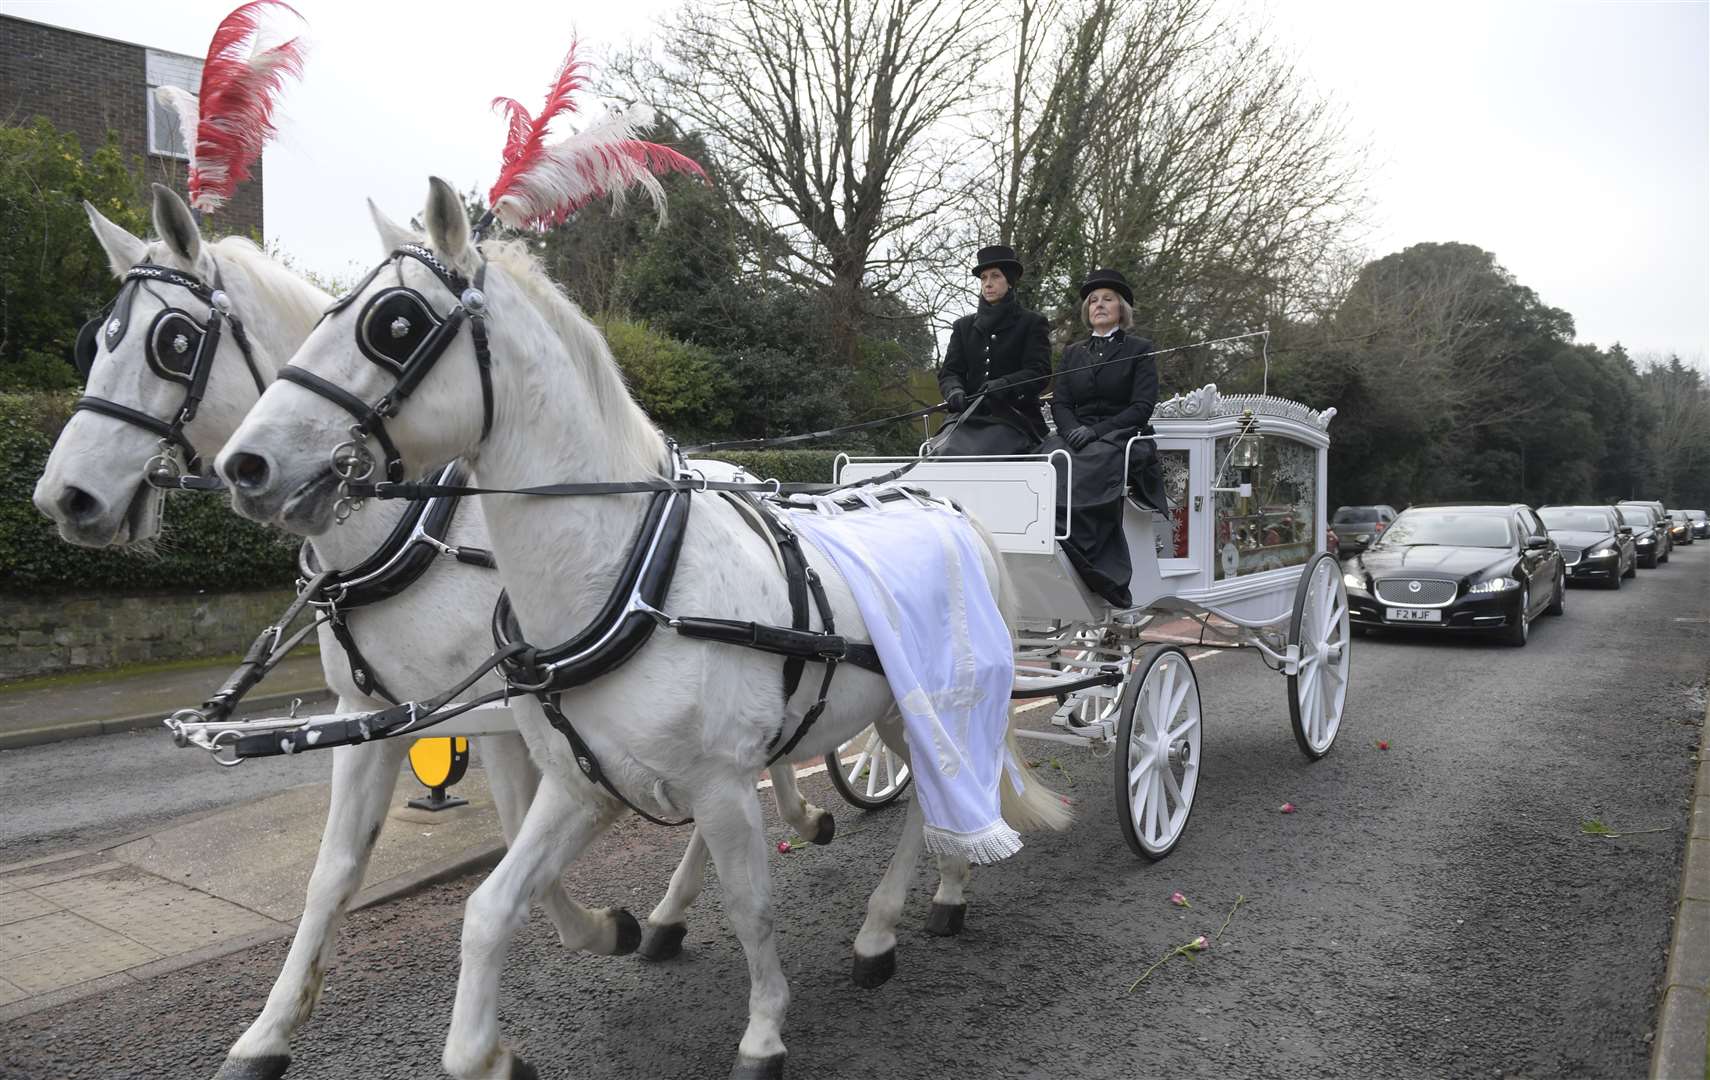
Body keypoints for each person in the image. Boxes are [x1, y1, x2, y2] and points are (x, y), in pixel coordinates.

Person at [1037, 267, 1164, 609]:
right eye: (1093, 300)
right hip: (1074, 435)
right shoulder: (1074, 353)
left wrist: (1095, 431)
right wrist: (1069, 431)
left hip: (1120, 435)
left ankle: (1088, 552)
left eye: (1108, 299)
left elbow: (1141, 407)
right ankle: (1044, 536)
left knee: (1092, 461)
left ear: (1122, 308)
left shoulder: (1139, 349)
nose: (1099, 304)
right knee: (1045, 456)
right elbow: (1061, 401)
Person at [932, 244, 1051, 456]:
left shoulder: (1032, 323)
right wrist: (955, 391)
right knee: (943, 452)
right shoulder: (963, 327)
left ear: (1010, 281)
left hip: (1016, 418)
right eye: (984, 278)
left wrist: (1004, 385)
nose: (988, 284)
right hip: (967, 418)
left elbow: (1039, 372)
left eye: (995, 276)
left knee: (977, 453)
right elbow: (950, 372)